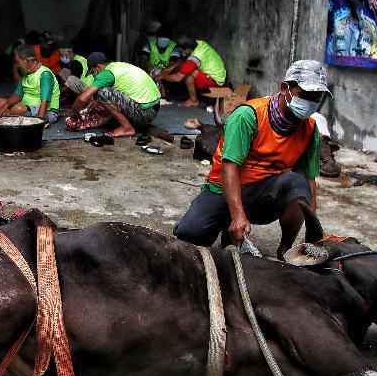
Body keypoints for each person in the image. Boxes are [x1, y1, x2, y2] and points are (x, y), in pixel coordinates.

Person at [173, 60, 329, 260]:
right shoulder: (249, 116)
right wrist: (238, 215)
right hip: (224, 188)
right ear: (285, 89)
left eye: (316, 97)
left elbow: (309, 180)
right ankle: (228, 223)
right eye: (304, 95)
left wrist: (313, 232)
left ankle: (284, 248)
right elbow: (229, 168)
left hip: (262, 194)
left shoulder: (309, 129)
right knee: (188, 236)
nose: (310, 102)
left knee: (295, 183)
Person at [66, 52, 160, 137]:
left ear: (98, 67)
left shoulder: (106, 74)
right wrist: (99, 102)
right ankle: (126, 124)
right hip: (152, 109)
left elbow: (82, 99)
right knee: (101, 98)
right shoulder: (116, 66)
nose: (94, 74)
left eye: (93, 71)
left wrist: (73, 112)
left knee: (100, 92)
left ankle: (126, 127)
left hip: (145, 113)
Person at [0, 45, 60, 123]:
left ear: (27, 61)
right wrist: (5, 106)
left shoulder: (45, 74)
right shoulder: (26, 73)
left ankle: (10, 117)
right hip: (26, 107)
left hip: (46, 112)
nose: (17, 65)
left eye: (18, 62)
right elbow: (17, 95)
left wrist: (40, 121)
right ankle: (11, 116)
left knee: (17, 109)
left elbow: (45, 101)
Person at [156, 38, 227, 107]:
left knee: (188, 75)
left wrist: (162, 76)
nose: (182, 53)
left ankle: (193, 100)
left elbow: (178, 78)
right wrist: (172, 67)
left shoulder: (195, 57)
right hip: (217, 75)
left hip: (216, 81)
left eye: (182, 51)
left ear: (187, 49)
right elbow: (183, 60)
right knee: (185, 66)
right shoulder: (199, 44)